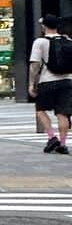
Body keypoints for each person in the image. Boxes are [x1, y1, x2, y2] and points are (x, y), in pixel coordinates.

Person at [29, 13, 72, 155]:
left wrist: (31, 84)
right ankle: (63, 143)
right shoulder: (67, 40)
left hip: (47, 81)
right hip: (66, 81)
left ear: (43, 26)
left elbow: (35, 65)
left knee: (40, 110)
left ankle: (52, 137)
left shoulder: (40, 42)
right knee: (63, 113)